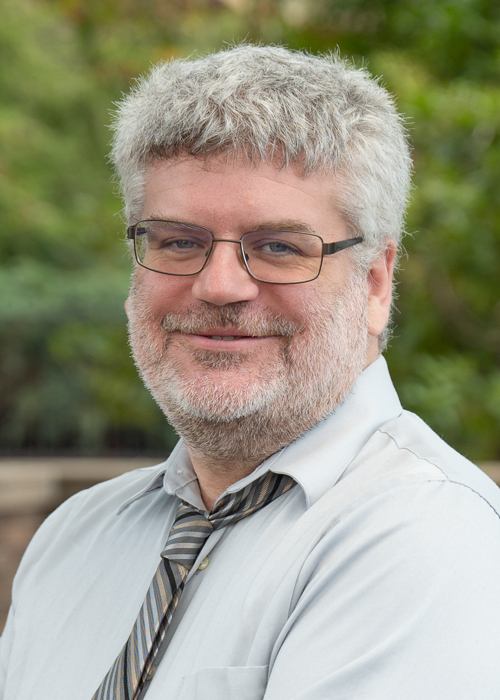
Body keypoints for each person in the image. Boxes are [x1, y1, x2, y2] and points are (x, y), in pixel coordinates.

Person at [1, 44, 499, 700]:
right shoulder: (74, 539)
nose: (220, 286)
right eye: (179, 241)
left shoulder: (425, 535)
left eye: (279, 247)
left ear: (376, 284)